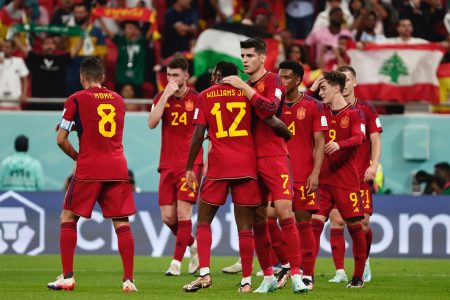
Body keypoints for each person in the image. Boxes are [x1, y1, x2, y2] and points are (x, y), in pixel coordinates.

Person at [222, 38, 307, 294]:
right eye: (243, 55)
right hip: (248, 159)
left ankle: (295, 275)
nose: (245, 59)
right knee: (259, 219)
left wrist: (243, 88)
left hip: (274, 156)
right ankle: (268, 275)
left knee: (285, 212)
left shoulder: (273, 80)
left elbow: (269, 109)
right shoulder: (243, 85)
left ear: (262, 58)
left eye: (250, 55)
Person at [48, 57, 137, 292]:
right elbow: (103, 128)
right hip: (117, 167)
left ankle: (67, 276)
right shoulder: (118, 100)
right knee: (121, 223)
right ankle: (128, 280)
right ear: (103, 77)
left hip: (90, 168)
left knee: (68, 218)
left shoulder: (75, 99)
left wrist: (78, 157)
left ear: (81, 77)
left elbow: (60, 139)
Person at [182, 61, 260, 293]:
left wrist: (189, 167)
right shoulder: (248, 94)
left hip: (219, 166)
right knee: (245, 227)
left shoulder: (205, 95)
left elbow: (198, 135)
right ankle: (246, 281)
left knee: (204, 221)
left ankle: (204, 274)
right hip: (246, 164)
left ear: (217, 75)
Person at [324, 66, 382, 284]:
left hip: (360, 175)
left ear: (354, 83)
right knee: (336, 220)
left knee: (362, 225)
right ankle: (340, 271)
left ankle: (364, 261)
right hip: (336, 176)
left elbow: (375, 140)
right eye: (341, 79)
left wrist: (374, 165)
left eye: (348, 79)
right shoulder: (326, 109)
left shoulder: (366, 109)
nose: (345, 83)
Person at [309, 71, 367, 288]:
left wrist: (339, 144)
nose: (321, 93)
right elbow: (297, 104)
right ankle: (308, 276)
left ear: (336, 88)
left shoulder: (355, 113)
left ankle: (358, 276)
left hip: (346, 182)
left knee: (354, 226)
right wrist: (313, 87)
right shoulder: (320, 109)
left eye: (324, 88)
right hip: (322, 181)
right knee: (313, 226)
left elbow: (358, 137)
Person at [276, 60, 328, 290]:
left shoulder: (313, 106)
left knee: (304, 224)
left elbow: (320, 143)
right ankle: (288, 266)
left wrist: (316, 172)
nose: (281, 81)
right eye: (280, 77)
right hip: (277, 174)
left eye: (286, 77)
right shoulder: (273, 105)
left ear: (298, 80)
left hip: (303, 174)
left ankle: (308, 274)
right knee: (268, 219)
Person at [148, 56, 201, 276]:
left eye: (176, 75)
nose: (171, 79)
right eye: (169, 75)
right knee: (168, 217)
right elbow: (151, 123)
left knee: (183, 212)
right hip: (167, 164)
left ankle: (176, 263)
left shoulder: (198, 99)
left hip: (190, 165)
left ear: (186, 76)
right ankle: (193, 244)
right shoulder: (162, 96)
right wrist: (165, 96)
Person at [0, 39, 29, 110]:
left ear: (13, 49)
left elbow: (25, 79)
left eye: (7, 47)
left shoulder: (19, 61)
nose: (4, 49)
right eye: (3, 47)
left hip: (15, 101)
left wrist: (24, 94)